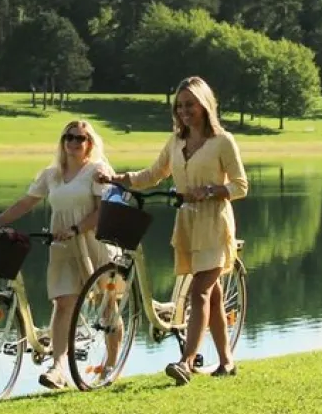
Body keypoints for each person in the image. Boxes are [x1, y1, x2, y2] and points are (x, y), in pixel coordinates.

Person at [97, 76, 248, 385]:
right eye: (179, 106)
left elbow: (241, 186)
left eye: (190, 104)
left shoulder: (223, 141)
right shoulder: (175, 142)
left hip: (215, 222)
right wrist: (118, 179)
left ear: (205, 105)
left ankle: (186, 361)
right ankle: (227, 361)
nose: (183, 111)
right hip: (188, 224)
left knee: (199, 291)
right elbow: (153, 174)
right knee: (213, 295)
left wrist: (209, 190)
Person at [0, 120, 118, 390]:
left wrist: (78, 228)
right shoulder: (52, 174)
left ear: (89, 143)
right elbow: (26, 202)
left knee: (108, 306)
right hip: (62, 245)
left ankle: (112, 364)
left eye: (80, 138)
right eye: (68, 137)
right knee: (63, 303)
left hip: (93, 243)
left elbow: (104, 209)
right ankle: (58, 368)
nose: (73, 143)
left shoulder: (97, 171)